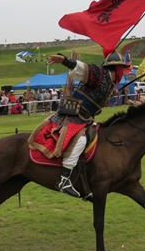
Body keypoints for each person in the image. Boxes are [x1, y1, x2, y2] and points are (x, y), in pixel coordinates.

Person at [28, 51, 127, 198]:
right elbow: (82, 69)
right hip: (73, 116)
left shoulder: (109, 83)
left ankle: (84, 180)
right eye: (122, 69)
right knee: (81, 139)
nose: (123, 72)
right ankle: (64, 179)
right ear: (118, 68)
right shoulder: (100, 74)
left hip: (85, 118)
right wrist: (64, 60)